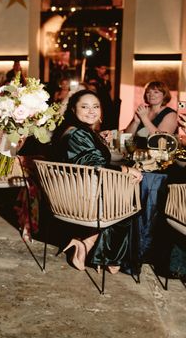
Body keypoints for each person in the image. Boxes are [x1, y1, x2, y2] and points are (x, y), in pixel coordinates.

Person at [50, 90, 142, 274]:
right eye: (84, 107)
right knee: (132, 196)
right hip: (83, 200)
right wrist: (126, 169)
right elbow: (94, 165)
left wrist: (99, 140)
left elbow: (90, 158)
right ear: (73, 110)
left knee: (124, 189)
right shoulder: (77, 133)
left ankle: (86, 242)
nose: (91, 111)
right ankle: (105, 254)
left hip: (73, 193)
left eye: (95, 106)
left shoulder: (76, 130)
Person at [124, 81, 177, 147]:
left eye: (156, 92)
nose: (151, 95)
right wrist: (136, 122)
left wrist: (144, 118)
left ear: (164, 95)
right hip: (138, 153)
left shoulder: (171, 114)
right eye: (148, 92)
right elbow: (126, 138)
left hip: (158, 155)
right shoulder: (143, 110)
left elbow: (160, 140)